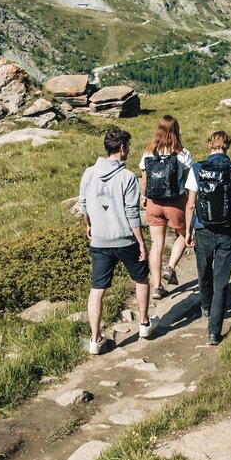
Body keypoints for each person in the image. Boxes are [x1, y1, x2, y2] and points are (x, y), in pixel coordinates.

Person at [77, 127, 151, 355]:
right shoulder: (127, 177)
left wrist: (89, 225)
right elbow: (132, 213)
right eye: (128, 146)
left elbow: (84, 203)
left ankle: (95, 339)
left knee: (97, 288)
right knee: (141, 278)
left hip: (100, 241)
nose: (129, 150)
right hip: (125, 239)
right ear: (121, 147)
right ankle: (144, 324)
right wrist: (140, 242)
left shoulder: (89, 173)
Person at [188, 131, 231, 346]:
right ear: (228, 146)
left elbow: (190, 204)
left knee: (203, 271)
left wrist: (188, 231)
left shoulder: (196, 168)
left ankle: (206, 307)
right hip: (227, 230)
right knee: (221, 281)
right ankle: (214, 332)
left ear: (210, 145)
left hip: (202, 228)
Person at [139, 115, 192, 300]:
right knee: (184, 235)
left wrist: (145, 198)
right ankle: (170, 267)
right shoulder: (183, 154)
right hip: (176, 202)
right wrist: (190, 203)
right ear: (176, 131)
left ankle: (157, 287)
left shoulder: (148, 152)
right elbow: (188, 182)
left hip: (154, 203)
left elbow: (144, 181)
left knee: (156, 244)